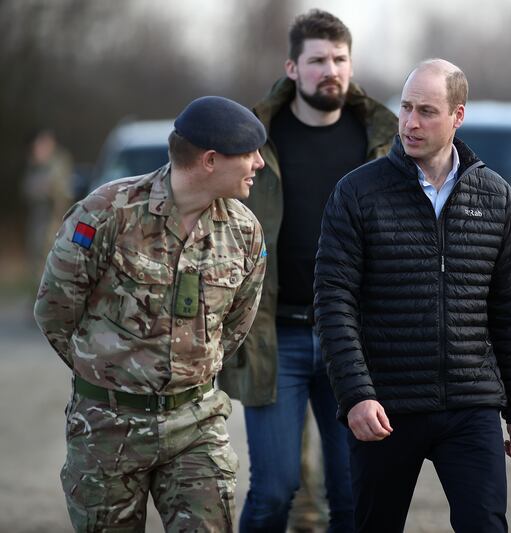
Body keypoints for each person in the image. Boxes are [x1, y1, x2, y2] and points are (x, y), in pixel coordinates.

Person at [314, 58, 511, 533]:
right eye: (406, 108)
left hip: (470, 404)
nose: (411, 123)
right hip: (385, 405)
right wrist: (356, 395)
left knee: (486, 526)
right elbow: (333, 303)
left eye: (428, 111)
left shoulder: (494, 195)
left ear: (458, 116)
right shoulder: (357, 193)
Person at [33, 95, 268, 531]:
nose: (259, 163)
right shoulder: (107, 213)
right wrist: (111, 375)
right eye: (249, 153)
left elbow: (236, 325)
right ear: (211, 160)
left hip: (196, 425)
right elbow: (55, 309)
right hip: (107, 429)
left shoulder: (244, 232)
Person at [215, 9, 397, 533]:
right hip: (277, 337)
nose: (330, 70)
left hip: (354, 341)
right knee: (274, 491)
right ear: (292, 68)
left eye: (340, 59)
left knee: (351, 492)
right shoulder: (254, 138)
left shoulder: (380, 139)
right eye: (317, 60)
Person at [22, 128, 74, 282]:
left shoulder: (60, 162)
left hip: (55, 219)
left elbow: (63, 191)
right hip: (37, 219)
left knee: (52, 258)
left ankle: (49, 296)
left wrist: (49, 188)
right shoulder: (34, 164)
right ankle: (38, 294)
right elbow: (26, 189)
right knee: (36, 257)